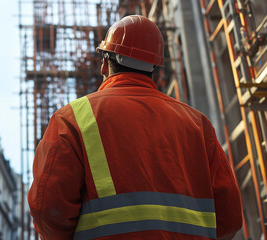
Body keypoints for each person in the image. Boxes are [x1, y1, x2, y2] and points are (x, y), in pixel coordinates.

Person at [28, 15, 242, 240]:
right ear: (154, 67)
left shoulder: (72, 119)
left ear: (104, 64)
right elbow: (230, 220)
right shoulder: (197, 124)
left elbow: (47, 209)